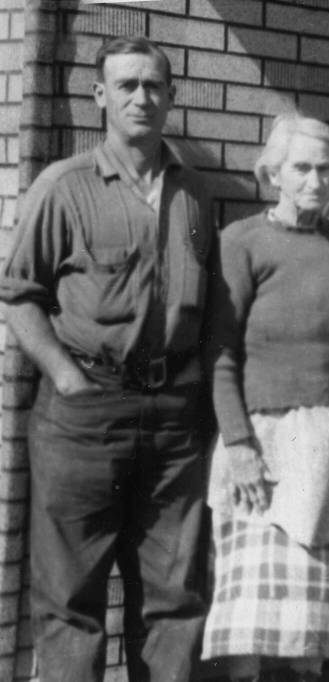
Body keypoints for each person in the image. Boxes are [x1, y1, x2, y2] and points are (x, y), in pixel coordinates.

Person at [0, 36, 214, 681]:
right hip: (85, 413)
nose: (140, 98)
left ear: (172, 97)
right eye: (126, 85)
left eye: (153, 85)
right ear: (101, 97)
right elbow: (19, 296)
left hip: (175, 420)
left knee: (175, 598)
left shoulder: (195, 195)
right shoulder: (62, 187)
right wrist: (65, 377)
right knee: (71, 599)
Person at [200, 114, 329, 681]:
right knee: (252, 612)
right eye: (300, 168)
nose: (314, 180)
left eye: (324, 168)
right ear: (273, 174)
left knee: (315, 617)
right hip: (265, 439)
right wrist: (239, 445)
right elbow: (221, 354)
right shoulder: (242, 242)